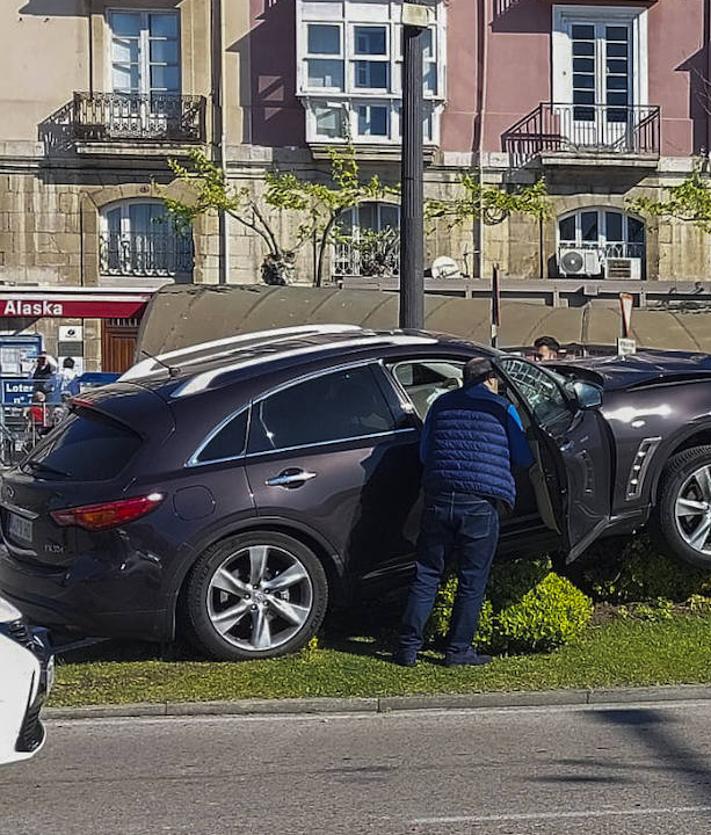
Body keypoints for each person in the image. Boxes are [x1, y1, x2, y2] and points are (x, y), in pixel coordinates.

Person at [394, 357, 534, 668]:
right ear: (491, 379)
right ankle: (457, 651)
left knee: (427, 573)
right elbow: (524, 457)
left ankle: (407, 648)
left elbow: (425, 452)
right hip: (481, 503)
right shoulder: (502, 408)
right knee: (472, 578)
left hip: (439, 496)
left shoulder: (441, 404)